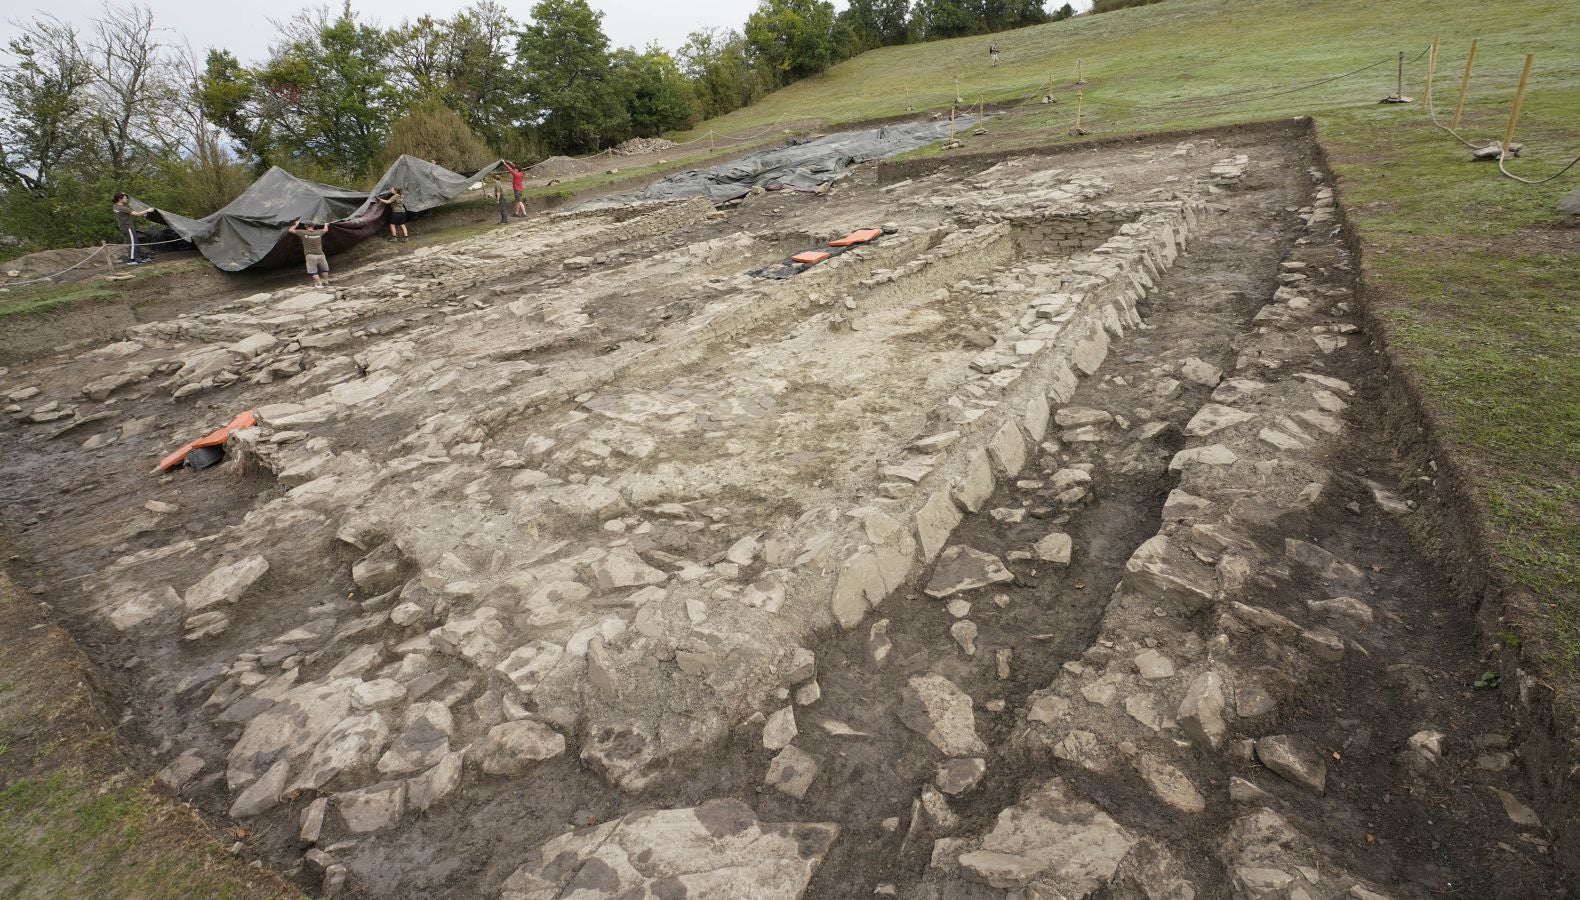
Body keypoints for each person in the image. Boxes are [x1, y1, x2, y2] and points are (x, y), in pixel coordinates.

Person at [112, 192, 151, 265]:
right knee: (133, 243)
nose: (127, 199)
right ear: (120, 199)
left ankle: (138, 258)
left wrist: (122, 194)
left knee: (134, 242)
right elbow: (138, 214)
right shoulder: (123, 208)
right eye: (125, 198)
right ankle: (131, 260)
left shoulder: (115, 206)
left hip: (123, 227)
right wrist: (148, 210)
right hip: (128, 227)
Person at [288, 219, 331, 287]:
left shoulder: (302, 232)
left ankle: (319, 284)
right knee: (324, 269)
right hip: (321, 255)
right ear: (313, 226)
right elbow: (326, 230)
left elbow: (290, 230)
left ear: (305, 226)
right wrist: (326, 224)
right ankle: (326, 283)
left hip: (310, 256)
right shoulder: (319, 232)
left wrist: (296, 224)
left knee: (313, 271)